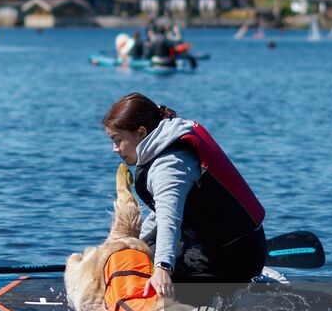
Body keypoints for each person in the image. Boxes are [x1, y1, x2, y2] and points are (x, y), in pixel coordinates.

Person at [102, 92, 267, 298]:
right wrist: (128, 245)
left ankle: (223, 300)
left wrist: (162, 268)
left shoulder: (168, 166)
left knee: (151, 267)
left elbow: (169, 220)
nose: (114, 149)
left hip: (236, 255)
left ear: (141, 132)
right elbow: (161, 211)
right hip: (224, 243)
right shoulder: (162, 145)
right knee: (142, 253)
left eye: (118, 140)